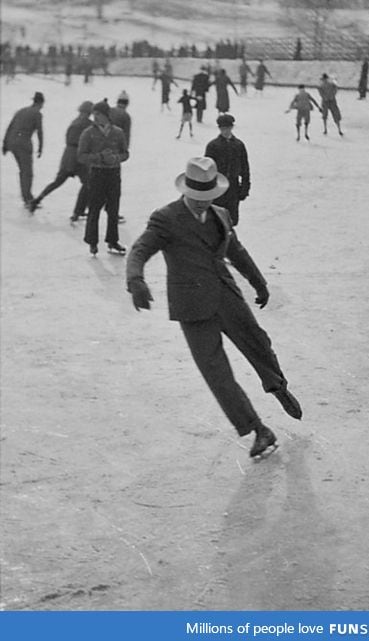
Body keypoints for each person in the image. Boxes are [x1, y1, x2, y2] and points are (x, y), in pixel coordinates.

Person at [126, 156, 302, 459]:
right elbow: (140, 249)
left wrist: (259, 282)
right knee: (216, 373)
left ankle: (276, 386)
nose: (201, 204)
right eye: (196, 198)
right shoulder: (165, 218)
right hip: (192, 307)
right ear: (185, 192)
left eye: (206, 198)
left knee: (258, 343)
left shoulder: (220, 214)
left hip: (226, 295)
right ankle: (258, 429)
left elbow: (237, 251)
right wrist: (135, 280)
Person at [77, 100, 129, 256]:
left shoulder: (118, 132)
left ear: (106, 115)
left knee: (113, 209)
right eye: (94, 114)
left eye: (98, 114)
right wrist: (99, 157)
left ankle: (112, 240)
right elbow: (81, 156)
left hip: (113, 174)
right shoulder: (88, 133)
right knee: (94, 209)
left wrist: (116, 158)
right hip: (97, 175)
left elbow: (126, 153)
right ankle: (92, 241)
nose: (95, 117)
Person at [28, 101, 93, 220]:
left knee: (57, 182)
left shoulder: (74, 122)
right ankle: (78, 212)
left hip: (68, 156)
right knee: (88, 183)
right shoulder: (89, 124)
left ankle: (37, 200)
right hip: (79, 158)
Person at [204, 114, 250, 227]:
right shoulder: (213, 146)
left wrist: (245, 187)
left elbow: (245, 168)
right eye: (223, 129)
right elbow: (206, 168)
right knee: (216, 220)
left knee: (231, 220)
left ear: (232, 128)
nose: (225, 131)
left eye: (228, 128)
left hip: (233, 188)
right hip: (217, 188)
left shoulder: (239, 145)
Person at [2, 91, 44, 208]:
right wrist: (41, 147)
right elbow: (40, 131)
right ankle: (28, 199)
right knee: (27, 172)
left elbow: (10, 126)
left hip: (12, 142)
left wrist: (5, 144)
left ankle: (26, 196)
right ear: (41, 103)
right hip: (23, 144)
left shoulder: (21, 111)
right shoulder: (37, 114)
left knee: (23, 170)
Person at [109, 90, 132, 223]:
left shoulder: (109, 111)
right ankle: (113, 214)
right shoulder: (125, 116)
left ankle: (80, 210)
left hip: (100, 151)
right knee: (114, 187)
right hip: (115, 155)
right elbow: (126, 137)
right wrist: (124, 153)